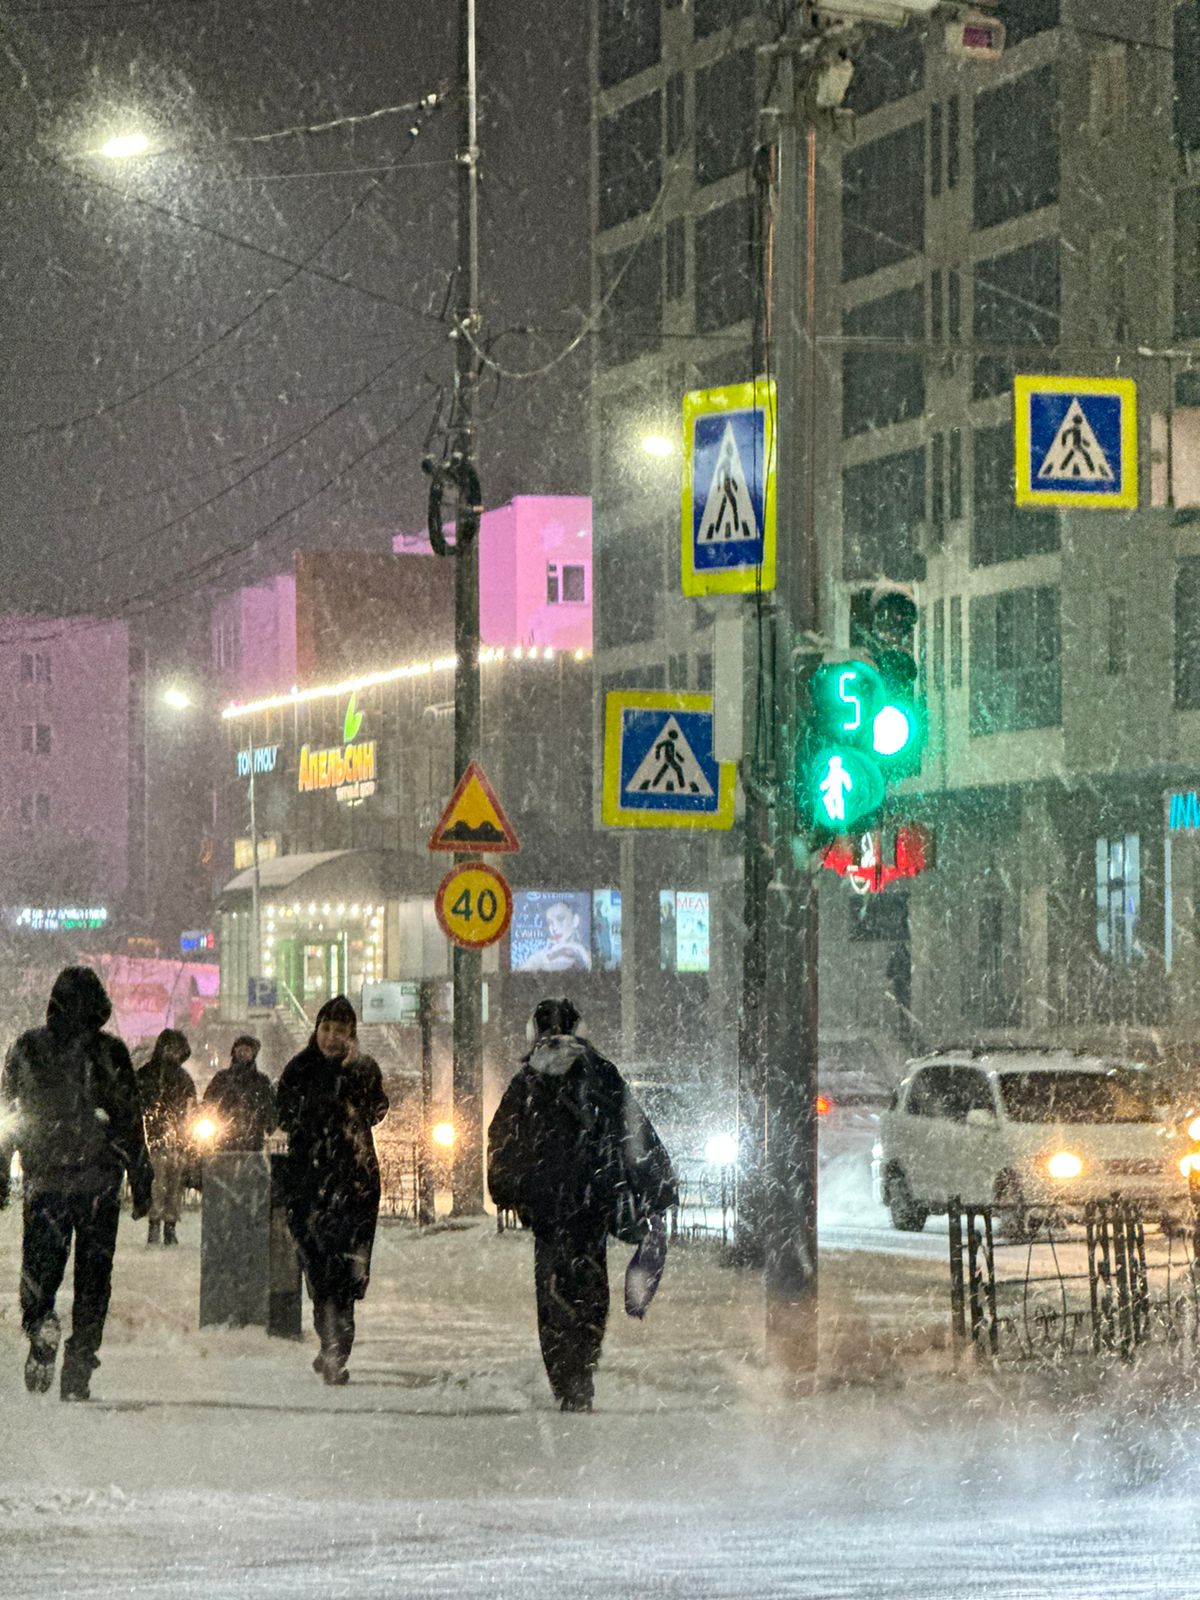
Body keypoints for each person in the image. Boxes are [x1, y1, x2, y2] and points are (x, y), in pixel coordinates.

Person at [487, 997, 677, 1413]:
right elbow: (635, 1133)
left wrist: (511, 1190)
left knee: (553, 1299)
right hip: (593, 1206)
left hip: (549, 1211)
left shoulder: (526, 1083)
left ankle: (566, 1378)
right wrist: (659, 1186)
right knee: (590, 1293)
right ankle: (582, 1374)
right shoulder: (601, 1075)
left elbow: (502, 1140)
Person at [0, 966, 154, 1401]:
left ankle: (41, 1321)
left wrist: (0, 1169)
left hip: (46, 1181)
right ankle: (79, 1368)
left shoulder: (26, 1049)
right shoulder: (111, 1052)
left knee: (40, 1269)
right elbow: (129, 1122)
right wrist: (141, 1177)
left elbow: (10, 1118)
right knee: (93, 1280)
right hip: (99, 1184)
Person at [275, 995, 388, 1385]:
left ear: (352, 1034)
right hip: (309, 1186)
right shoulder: (298, 1070)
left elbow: (376, 1110)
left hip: (354, 1186)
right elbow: (282, 1124)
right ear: (316, 1029)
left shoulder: (362, 1069)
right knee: (320, 1276)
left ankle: (337, 1351)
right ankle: (330, 1345)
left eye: (341, 1031)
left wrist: (355, 1072)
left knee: (347, 1277)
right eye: (326, 1029)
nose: (332, 1037)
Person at [135, 1028, 196, 1246]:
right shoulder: (147, 1075)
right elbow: (137, 1104)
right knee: (157, 1182)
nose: (172, 1053)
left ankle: (170, 1225)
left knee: (175, 1184)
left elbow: (191, 1108)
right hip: (155, 1139)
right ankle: (155, 1224)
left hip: (177, 1140)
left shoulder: (183, 1079)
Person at [202, 1035, 276, 1152]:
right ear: (234, 1052)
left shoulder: (262, 1081)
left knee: (251, 1166)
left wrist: (270, 1123)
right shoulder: (221, 1078)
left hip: (253, 1138)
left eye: (247, 1050)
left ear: (253, 1054)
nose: (243, 1053)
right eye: (240, 1049)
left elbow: (270, 1106)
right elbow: (208, 1101)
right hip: (224, 1134)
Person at [515, 898, 592, 973]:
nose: (554, 928)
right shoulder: (542, 955)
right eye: (550, 922)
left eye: (560, 919)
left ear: (575, 920)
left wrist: (579, 950)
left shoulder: (587, 953)